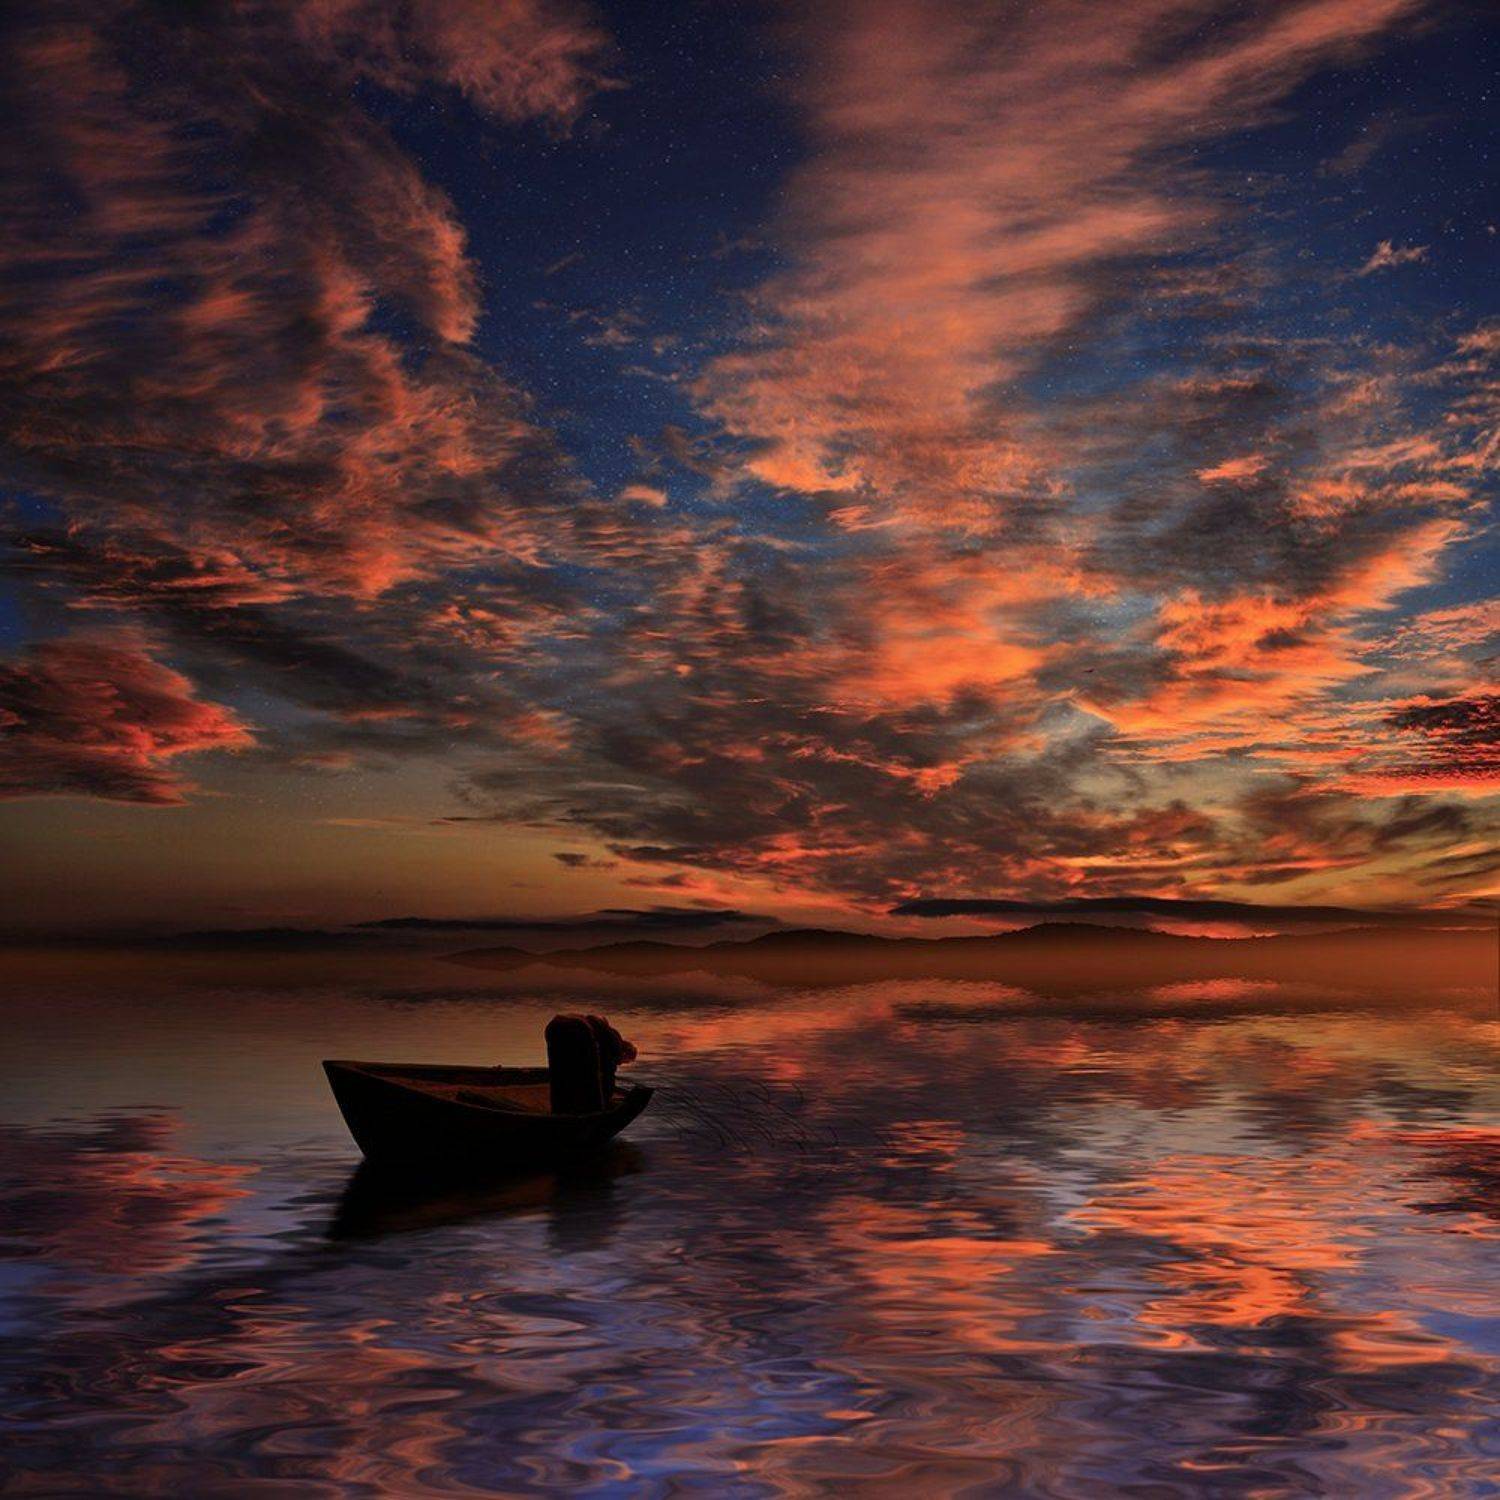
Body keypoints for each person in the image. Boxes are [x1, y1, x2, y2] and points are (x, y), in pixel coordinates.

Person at [544, 1013, 637, 1114]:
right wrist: (606, 1099)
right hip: (578, 1029)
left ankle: (561, 1107)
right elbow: (607, 1073)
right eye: (625, 1060)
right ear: (624, 1053)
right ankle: (591, 1109)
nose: (621, 1064)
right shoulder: (614, 1045)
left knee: (562, 1071)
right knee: (589, 1075)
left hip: (555, 1025)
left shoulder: (609, 1035)